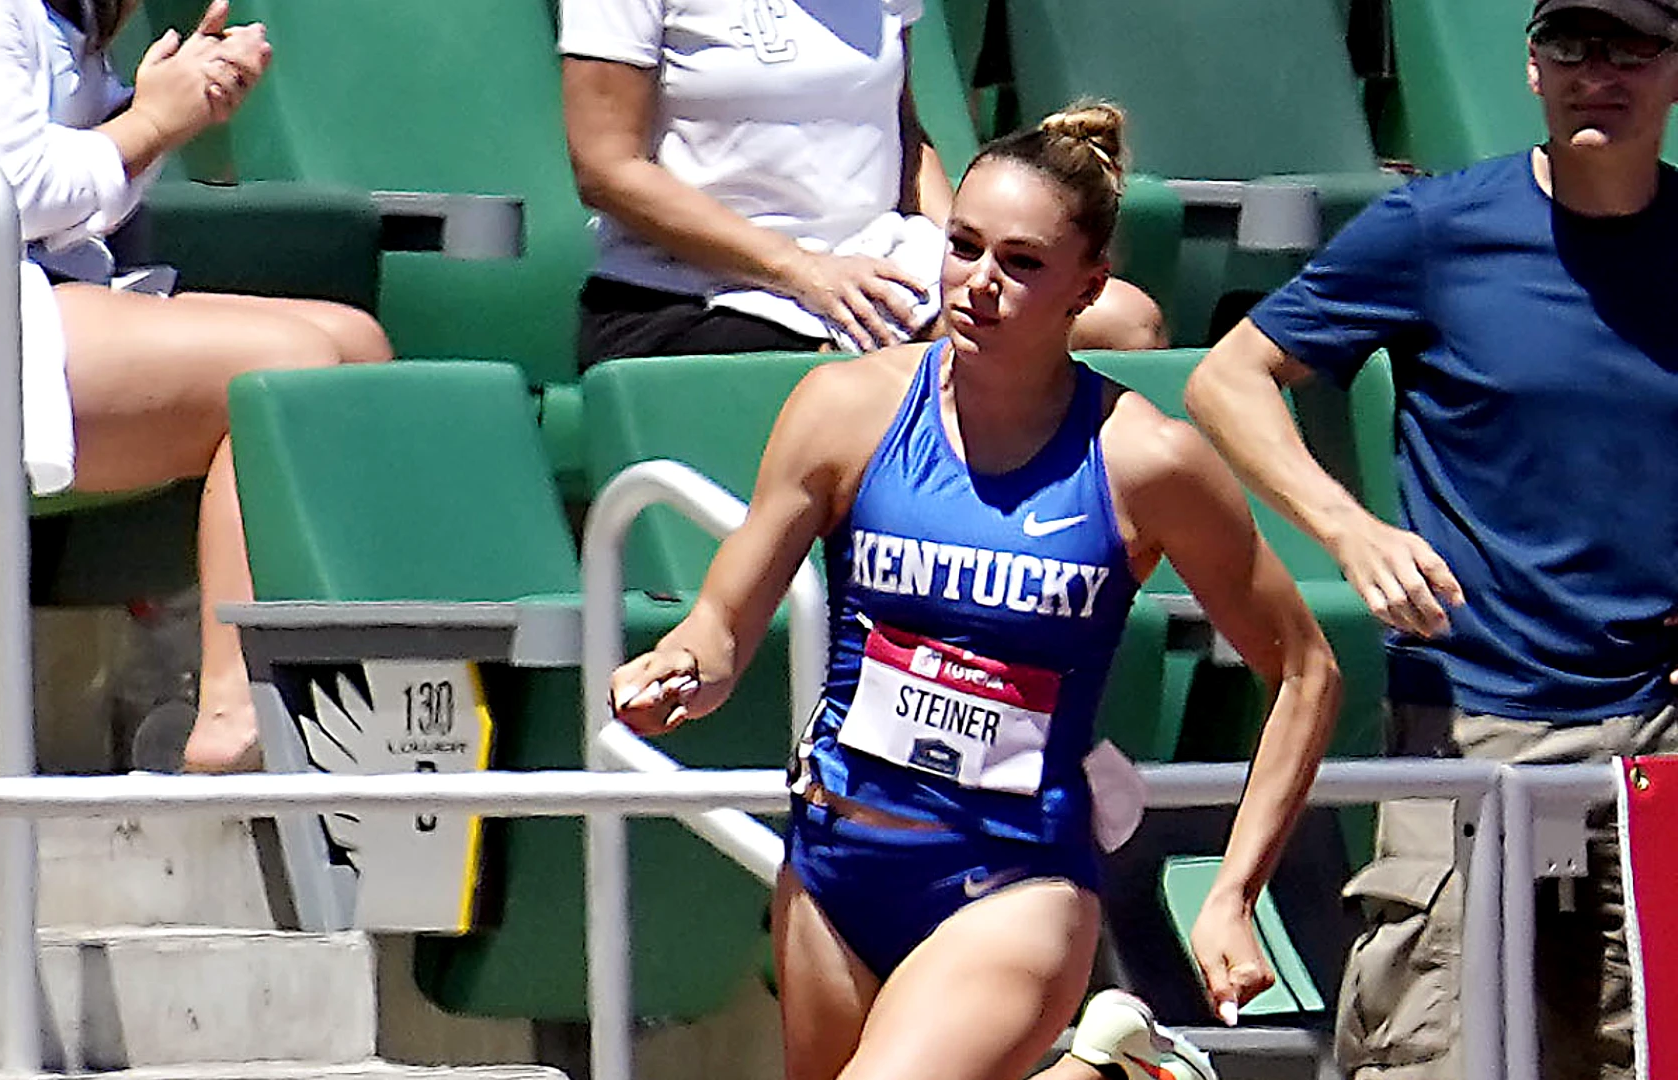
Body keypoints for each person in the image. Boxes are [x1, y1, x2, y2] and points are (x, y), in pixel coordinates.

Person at [609, 102, 1340, 1080]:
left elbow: (1303, 668)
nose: (976, 285)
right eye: (960, 247)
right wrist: (678, 669)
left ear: (1088, 287)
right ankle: (1107, 1072)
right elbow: (720, 621)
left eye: (1020, 264)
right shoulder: (844, 409)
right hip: (832, 865)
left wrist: (1231, 894)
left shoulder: (1144, 462)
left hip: (1013, 881)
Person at [1183, 2, 1678, 1076]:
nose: (1599, 73)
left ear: (1674, 71)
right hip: (1473, 734)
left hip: (1653, 741)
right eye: (1572, 46)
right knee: (1442, 1051)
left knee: (1635, 1054)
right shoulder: (1435, 229)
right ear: (1531, 69)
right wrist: (1347, 529)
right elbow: (1226, 379)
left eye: (1631, 47)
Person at [0, 0, 394, 773]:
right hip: (16, 317)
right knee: (287, 373)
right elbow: (17, 197)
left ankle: (304, 684)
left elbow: (75, 217)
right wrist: (152, 122)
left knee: (357, 351)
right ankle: (234, 709)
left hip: (48, 298)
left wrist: (172, 111)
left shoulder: (75, 16)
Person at [558, 0, 1165, 370]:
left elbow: (903, 133)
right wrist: (803, 270)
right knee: (929, 377)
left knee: (1124, 325)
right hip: (693, 294)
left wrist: (963, 251)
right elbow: (607, 171)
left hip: (880, 270)